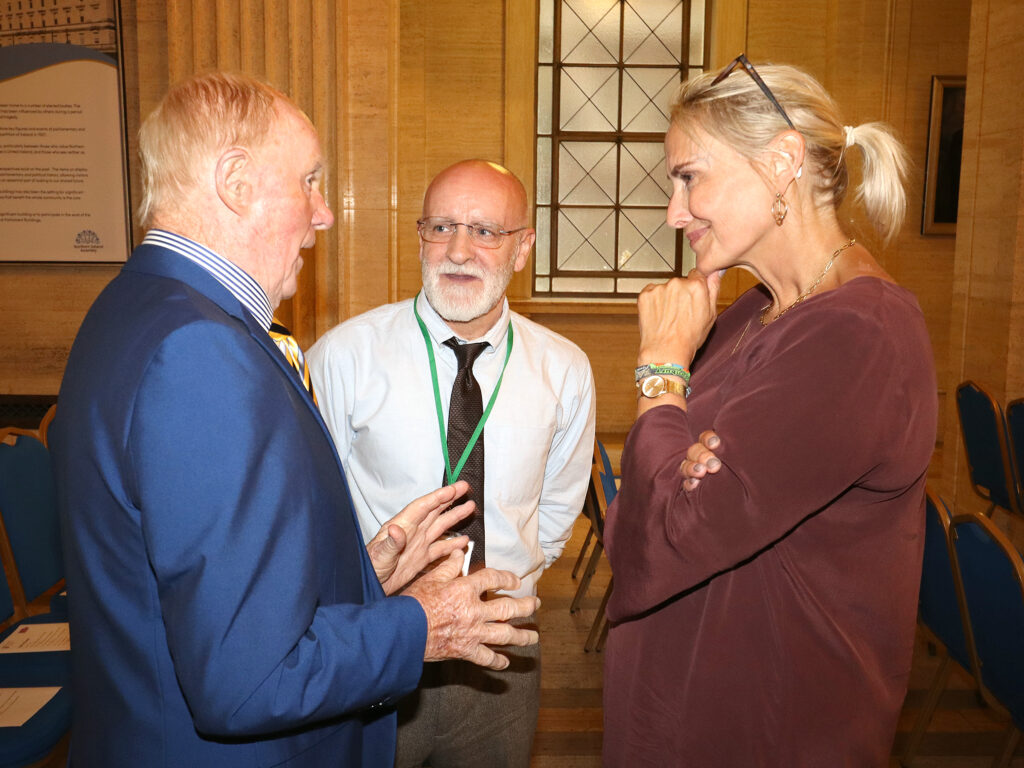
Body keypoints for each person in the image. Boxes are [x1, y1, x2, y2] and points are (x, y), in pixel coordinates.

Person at [49, 72, 540, 768]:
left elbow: (195, 581)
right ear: (236, 181)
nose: (325, 214)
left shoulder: (135, 305)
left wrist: (362, 574)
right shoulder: (201, 352)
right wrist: (422, 625)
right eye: (309, 181)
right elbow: (247, 684)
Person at [602, 56, 938, 766]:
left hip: (769, 722)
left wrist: (661, 368)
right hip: (688, 701)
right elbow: (652, 501)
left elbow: (664, 536)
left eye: (689, 177)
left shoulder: (856, 335)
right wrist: (680, 463)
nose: (674, 212)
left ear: (782, 162)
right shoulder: (756, 309)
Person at [308, 159, 596, 767]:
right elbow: (312, 511)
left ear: (523, 248)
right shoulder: (343, 357)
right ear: (420, 237)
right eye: (441, 227)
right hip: (382, 640)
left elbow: (557, 510)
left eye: (485, 231)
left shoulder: (564, 368)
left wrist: (501, 587)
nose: (459, 251)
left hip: (503, 652)